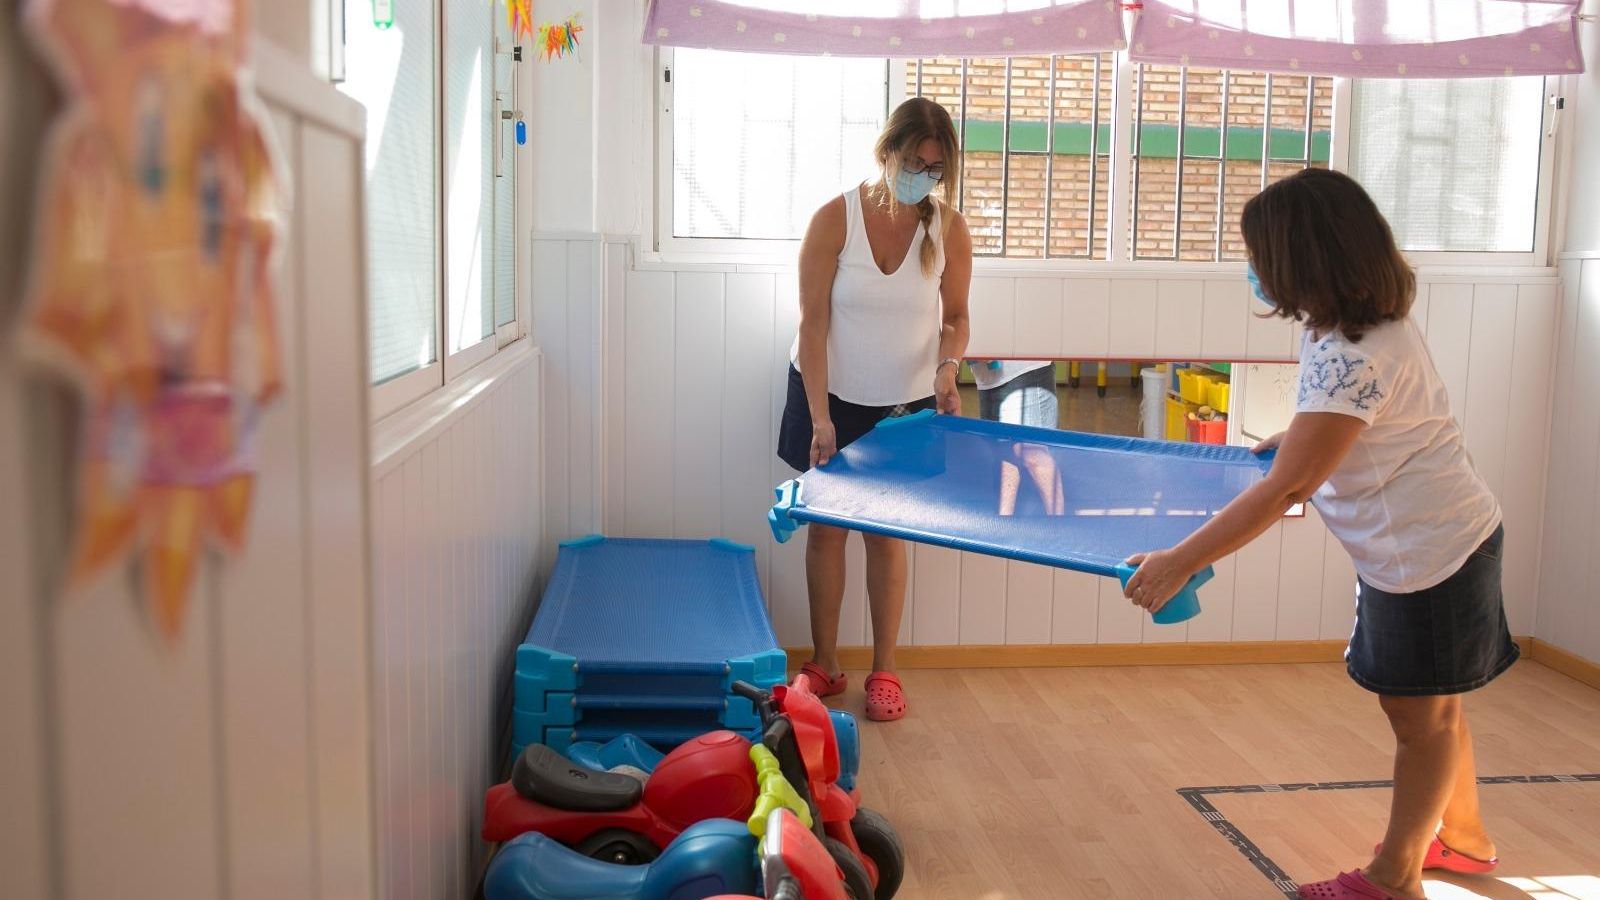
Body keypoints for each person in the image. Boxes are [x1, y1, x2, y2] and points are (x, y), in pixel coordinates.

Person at [1122, 168, 1514, 900]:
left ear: (1301, 259)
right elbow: (1357, 429)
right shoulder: (1354, 326)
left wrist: (1179, 560)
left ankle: (1394, 878)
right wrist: (1300, 439)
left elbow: (1289, 489)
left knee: (1419, 719)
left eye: (1259, 255)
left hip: (1429, 555)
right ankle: (1462, 839)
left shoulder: (1350, 354)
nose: (1253, 270)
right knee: (1436, 706)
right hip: (1440, 540)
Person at [776, 97, 972, 722]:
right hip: (828, 393)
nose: (922, 177)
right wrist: (821, 419)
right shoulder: (834, 220)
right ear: (887, 153)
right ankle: (825, 663)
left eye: (935, 169)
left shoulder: (947, 229)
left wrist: (948, 368)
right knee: (826, 530)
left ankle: (884, 670)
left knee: (886, 536)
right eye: (914, 163)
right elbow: (812, 325)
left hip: (904, 402)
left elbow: (956, 317)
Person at [971, 360, 1064, 516]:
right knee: (1003, 452)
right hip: (987, 377)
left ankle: (1060, 525)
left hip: (1023, 368)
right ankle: (1003, 522)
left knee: (1033, 454)